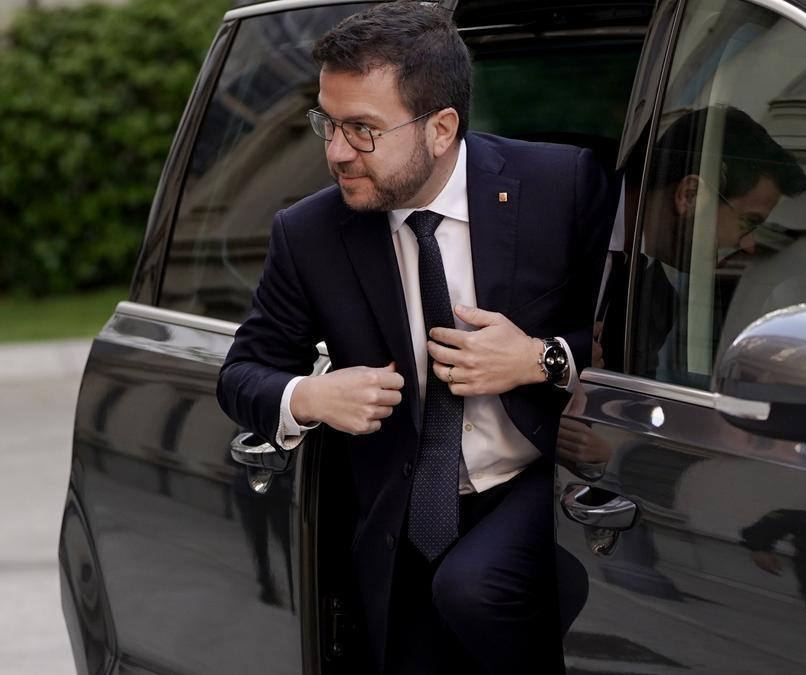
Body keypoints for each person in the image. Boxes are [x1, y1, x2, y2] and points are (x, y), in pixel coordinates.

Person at [215, 3, 615, 673]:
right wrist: (311, 396)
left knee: (476, 587)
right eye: (328, 123)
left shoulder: (561, 186)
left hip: (538, 488)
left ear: (441, 128)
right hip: (400, 529)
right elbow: (242, 373)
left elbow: (636, 334)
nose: (336, 150)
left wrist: (541, 358)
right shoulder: (307, 234)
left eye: (363, 130)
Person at [597, 106, 806, 376]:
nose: (749, 244)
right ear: (690, 195)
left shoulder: (656, 306)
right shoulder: (553, 224)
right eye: (748, 222)